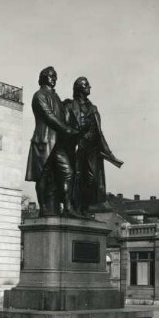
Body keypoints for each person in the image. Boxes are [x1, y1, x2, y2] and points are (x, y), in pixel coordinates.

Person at [25, 67, 81, 216]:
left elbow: (61, 114)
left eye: (55, 76)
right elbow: (49, 116)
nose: (54, 79)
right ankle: (43, 209)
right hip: (44, 142)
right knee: (42, 176)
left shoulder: (55, 97)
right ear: (44, 78)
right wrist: (67, 129)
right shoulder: (39, 95)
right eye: (51, 76)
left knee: (68, 173)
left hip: (58, 143)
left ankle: (68, 208)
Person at [64, 77, 123, 215]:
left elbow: (99, 133)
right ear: (79, 88)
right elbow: (65, 127)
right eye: (86, 85)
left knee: (92, 180)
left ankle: (85, 209)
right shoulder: (69, 106)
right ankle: (74, 208)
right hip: (76, 147)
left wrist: (109, 153)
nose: (89, 87)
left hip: (92, 151)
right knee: (76, 178)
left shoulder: (93, 108)